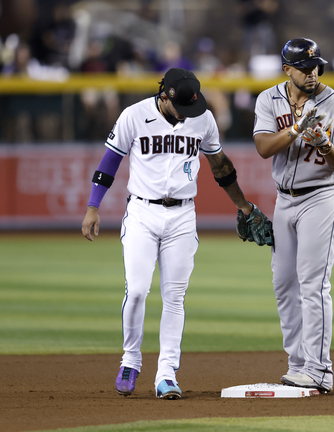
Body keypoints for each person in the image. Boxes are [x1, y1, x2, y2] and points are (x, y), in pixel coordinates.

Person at [81, 68, 272, 400]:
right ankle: (130, 359)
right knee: (138, 290)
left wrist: (242, 205)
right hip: (142, 212)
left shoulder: (203, 118)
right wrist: (93, 206)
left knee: (175, 297)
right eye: (182, 105)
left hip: (183, 215)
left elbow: (220, 166)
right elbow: (110, 160)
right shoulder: (134, 115)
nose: (188, 113)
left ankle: (166, 374)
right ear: (165, 95)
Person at [252, 37, 334, 393]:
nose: (312, 73)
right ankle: (298, 365)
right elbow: (264, 148)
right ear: (287, 70)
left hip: (323, 198)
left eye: (316, 67)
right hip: (284, 200)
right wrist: (297, 130)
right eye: (304, 67)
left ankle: (320, 370)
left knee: (313, 284)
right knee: (284, 284)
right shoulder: (268, 99)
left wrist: (325, 144)